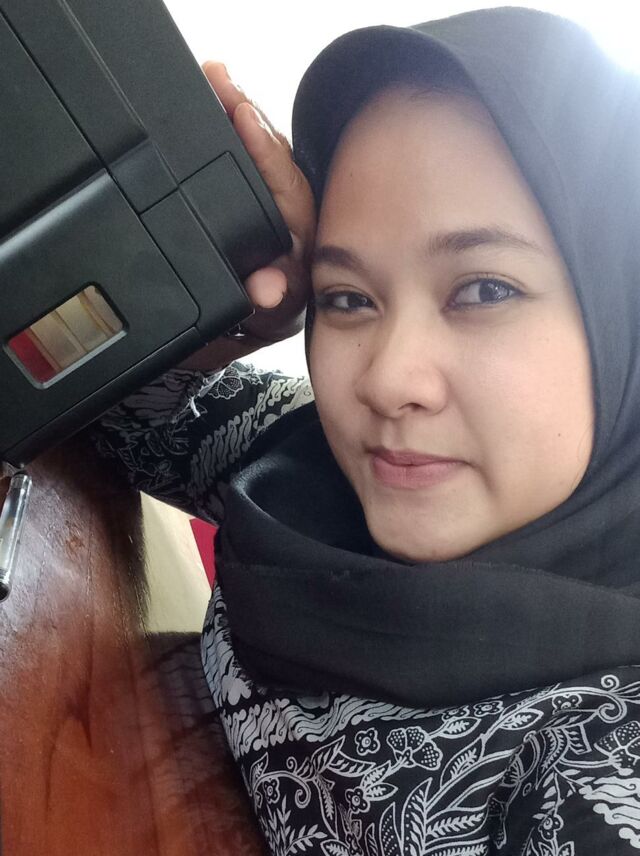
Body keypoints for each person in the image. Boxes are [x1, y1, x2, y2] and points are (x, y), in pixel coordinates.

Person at [92, 7, 640, 853]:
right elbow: (116, 410)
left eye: (484, 290)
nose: (387, 379)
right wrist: (232, 311)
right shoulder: (304, 467)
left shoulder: (601, 761)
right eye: (348, 297)